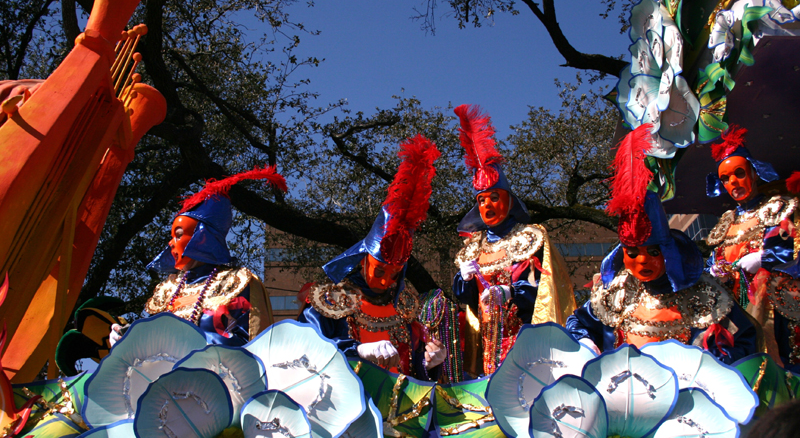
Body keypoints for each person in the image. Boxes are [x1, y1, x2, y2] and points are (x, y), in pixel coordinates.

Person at [566, 125, 757, 363]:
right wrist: (586, 343)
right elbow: (578, 323)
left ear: (669, 251)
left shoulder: (704, 292)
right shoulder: (616, 292)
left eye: (653, 251)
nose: (643, 261)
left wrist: (713, 364)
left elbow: (744, 339)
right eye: (633, 253)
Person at [298, 135, 446, 377]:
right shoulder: (332, 301)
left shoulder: (404, 308)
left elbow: (411, 366)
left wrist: (429, 363)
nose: (386, 282)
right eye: (379, 270)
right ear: (364, 259)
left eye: (394, 274)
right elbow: (305, 350)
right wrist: (355, 351)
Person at [450, 104, 575, 376]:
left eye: (494, 198)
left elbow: (541, 288)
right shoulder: (473, 248)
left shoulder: (528, 238)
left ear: (508, 200)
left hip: (521, 342)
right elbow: (467, 301)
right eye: (481, 200)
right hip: (483, 345)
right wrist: (465, 280)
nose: (487, 205)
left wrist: (511, 292)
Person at [131, 167, 284, 346]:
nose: (171, 243)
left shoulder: (236, 283)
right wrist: (129, 337)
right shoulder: (168, 289)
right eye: (172, 236)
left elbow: (254, 345)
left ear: (202, 238)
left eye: (178, 235)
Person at [704, 125, 800, 371]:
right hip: (735, 309)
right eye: (726, 179)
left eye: (739, 173)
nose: (733, 182)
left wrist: (765, 258)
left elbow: (793, 247)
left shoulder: (776, 209)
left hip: (773, 305)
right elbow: (714, 261)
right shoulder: (725, 223)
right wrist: (715, 271)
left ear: (754, 173)